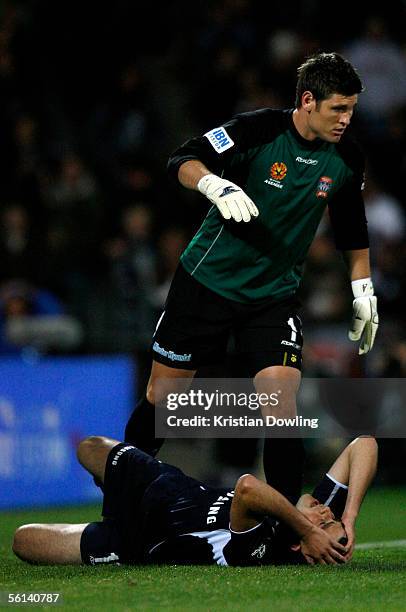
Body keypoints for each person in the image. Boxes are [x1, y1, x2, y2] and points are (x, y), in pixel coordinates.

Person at [124, 52, 379, 501]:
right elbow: (183, 158)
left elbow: (350, 227)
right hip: (206, 283)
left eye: (352, 108)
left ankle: (288, 530)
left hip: (273, 295)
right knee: (163, 396)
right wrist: (213, 184)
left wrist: (363, 286)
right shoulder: (256, 131)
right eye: (339, 108)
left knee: (281, 403)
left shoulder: (347, 157)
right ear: (308, 101)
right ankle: (120, 494)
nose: (346, 118)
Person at [12, 436, 377, 567]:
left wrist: (305, 524)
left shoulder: (262, 545)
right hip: (165, 484)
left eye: (324, 520)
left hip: (137, 541)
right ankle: (111, 487)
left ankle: (111, 500)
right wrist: (349, 516)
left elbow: (248, 487)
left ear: (304, 543)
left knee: (23, 540)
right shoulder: (309, 521)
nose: (324, 508)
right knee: (87, 447)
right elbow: (363, 444)